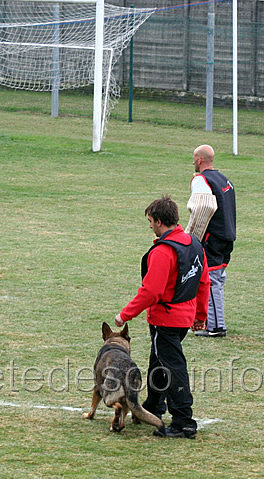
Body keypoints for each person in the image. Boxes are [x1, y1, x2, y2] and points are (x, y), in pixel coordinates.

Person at [115, 195, 210, 439]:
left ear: (159, 221)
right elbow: (203, 282)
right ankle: (153, 407)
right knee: (158, 361)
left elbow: (152, 291)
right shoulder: (194, 244)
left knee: (172, 366)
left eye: (150, 221)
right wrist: (200, 315)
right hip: (184, 316)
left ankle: (183, 421)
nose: (149, 226)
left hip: (166, 319)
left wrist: (125, 314)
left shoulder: (164, 251)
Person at [185, 144, 236, 338]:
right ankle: (214, 322)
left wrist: (192, 238)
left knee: (211, 280)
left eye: (194, 158)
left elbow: (202, 209)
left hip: (212, 238)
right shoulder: (225, 179)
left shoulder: (201, 180)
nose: (193, 162)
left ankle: (215, 327)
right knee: (218, 279)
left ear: (199, 160)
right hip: (228, 235)